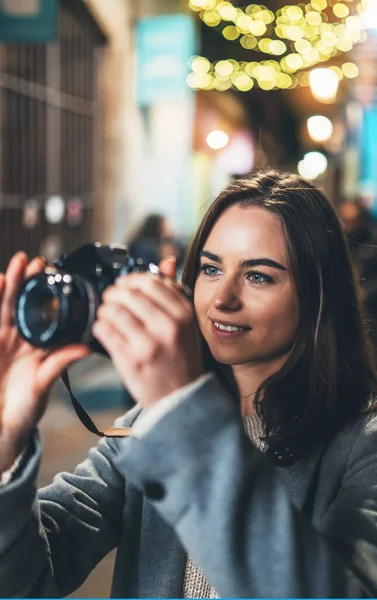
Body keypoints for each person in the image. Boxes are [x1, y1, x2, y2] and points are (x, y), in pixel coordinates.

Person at [1, 169, 377, 597]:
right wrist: (6, 442)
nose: (222, 299)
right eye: (210, 268)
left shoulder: (362, 447)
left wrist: (181, 410)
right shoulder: (148, 424)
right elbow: (26, 581)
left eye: (258, 276)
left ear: (318, 294)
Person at [337, 200, 377, 352]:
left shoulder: (372, 245)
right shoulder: (343, 242)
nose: (346, 226)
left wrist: (365, 292)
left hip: (370, 312)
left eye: (349, 221)